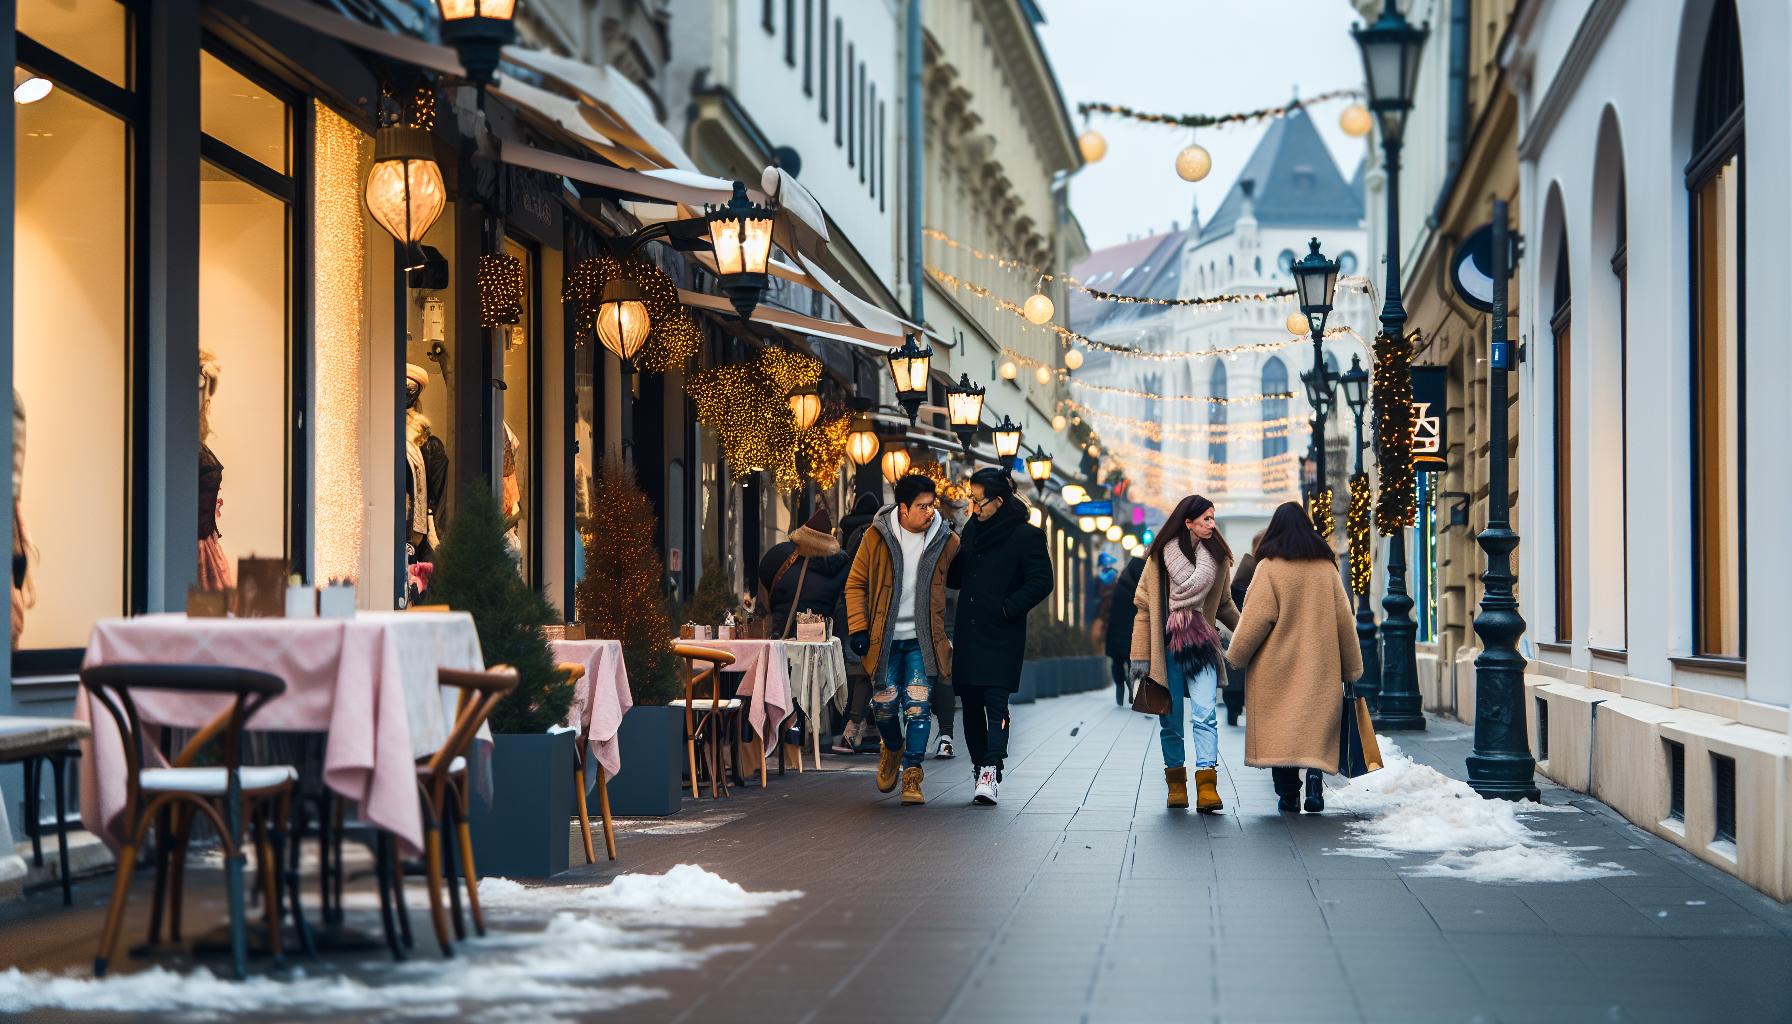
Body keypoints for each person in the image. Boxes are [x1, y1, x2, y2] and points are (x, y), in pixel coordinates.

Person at [1224, 502, 1364, 813]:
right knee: (1315, 729)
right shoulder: (1326, 569)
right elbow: (1345, 621)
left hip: (1276, 671)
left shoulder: (1269, 569)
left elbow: (1256, 620)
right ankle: (1315, 782)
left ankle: (1288, 794)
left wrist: (1236, 655)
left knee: (1282, 732)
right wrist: (1352, 667)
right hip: (1321, 667)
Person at [844, 475, 960, 805]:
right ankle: (892, 748)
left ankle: (913, 774)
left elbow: (962, 574)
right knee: (883, 707)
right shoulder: (876, 536)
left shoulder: (945, 539)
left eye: (932, 505)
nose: (928, 512)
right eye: (922, 507)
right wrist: (858, 629)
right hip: (886, 640)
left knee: (918, 706)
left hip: (923, 642)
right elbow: (855, 584)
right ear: (903, 508)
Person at [947, 467, 1053, 805]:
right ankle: (979, 768)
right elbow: (956, 579)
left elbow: (1041, 581)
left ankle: (992, 769)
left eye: (979, 502)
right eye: (971, 501)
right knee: (971, 703)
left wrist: (1008, 609)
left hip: (1001, 632)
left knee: (996, 702)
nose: (974, 509)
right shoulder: (972, 532)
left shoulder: (1026, 535)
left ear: (999, 500)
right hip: (970, 629)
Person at [1130, 494, 1239, 812]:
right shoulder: (1159, 559)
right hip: (1167, 649)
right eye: (1206, 518)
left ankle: (1207, 786)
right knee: (1171, 719)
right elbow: (1143, 609)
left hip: (1202, 646)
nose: (1211, 524)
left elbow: (1225, 606)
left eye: (1213, 517)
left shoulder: (1218, 557)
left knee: (1206, 714)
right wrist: (1140, 657)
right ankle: (1176, 785)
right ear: (1188, 522)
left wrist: (1247, 633)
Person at [830, 492, 882, 753]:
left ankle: (859, 727)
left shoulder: (847, 533)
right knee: (869, 670)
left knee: (857, 669)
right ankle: (861, 727)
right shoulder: (871, 533)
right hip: (871, 608)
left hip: (847, 608)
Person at [757, 506, 849, 639]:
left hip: (782, 637)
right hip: (822, 641)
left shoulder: (782, 556)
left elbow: (764, 594)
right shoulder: (844, 565)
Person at [1221, 530, 1266, 726]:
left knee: (1238, 677)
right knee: (1240, 675)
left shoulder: (1251, 567)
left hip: (1243, 632)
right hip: (1245, 632)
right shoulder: (1256, 569)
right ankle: (1234, 709)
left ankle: (1234, 709)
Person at [1105, 555, 1145, 706]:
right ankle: (1132, 689)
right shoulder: (1138, 590)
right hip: (1133, 632)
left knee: (1117, 662)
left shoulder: (1119, 586)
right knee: (1132, 663)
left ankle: (1121, 686)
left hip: (1116, 631)